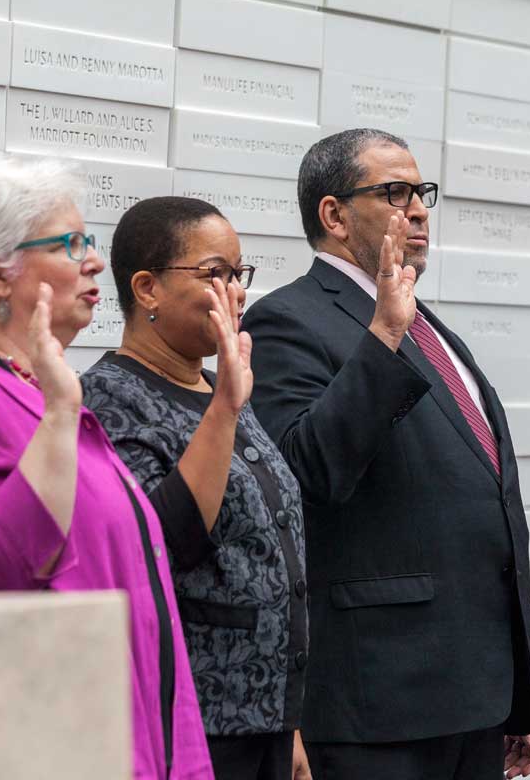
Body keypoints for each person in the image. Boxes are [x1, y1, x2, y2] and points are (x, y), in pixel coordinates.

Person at [0, 155, 213, 780]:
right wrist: (63, 413)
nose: (94, 261)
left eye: (87, 242)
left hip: (133, 740)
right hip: (55, 747)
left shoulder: (38, 390)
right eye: (69, 244)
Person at [241, 129, 530, 780]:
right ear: (334, 214)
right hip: (379, 709)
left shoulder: (433, 328)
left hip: (477, 699)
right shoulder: (285, 321)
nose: (418, 211)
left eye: (421, 193)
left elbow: (488, 519)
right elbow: (303, 472)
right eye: (396, 193)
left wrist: (523, 691)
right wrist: (383, 335)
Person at [81, 197, 311, 780]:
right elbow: (166, 542)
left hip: (269, 716)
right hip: (194, 723)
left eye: (239, 274)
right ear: (147, 288)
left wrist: (291, 727)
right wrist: (226, 408)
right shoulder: (108, 397)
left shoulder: (221, 385)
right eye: (215, 274)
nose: (234, 292)